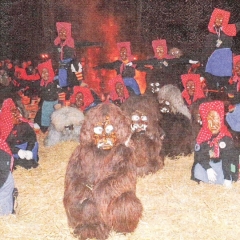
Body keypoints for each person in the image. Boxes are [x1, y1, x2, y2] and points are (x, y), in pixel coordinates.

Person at [191, 100, 238, 187]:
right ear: (205, 121)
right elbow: (200, 156)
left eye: (216, 119)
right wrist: (208, 168)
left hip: (224, 166)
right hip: (210, 165)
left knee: (232, 170)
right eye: (210, 120)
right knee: (198, 169)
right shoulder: (203, 137)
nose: (213, 124)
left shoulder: (226, 137)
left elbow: (229, 158)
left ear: (220, 119)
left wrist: (227, 177)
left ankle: (226, 179)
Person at [201, 8, 240, 90]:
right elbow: (207, 50)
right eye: (217, 18)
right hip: (215, 59)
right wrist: (202, 61)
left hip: (226, 58)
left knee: (225, 79)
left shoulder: (229, 29)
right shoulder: (210, 35)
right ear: (213, 19)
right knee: (213, 78)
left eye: (221, 18)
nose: (219, 20)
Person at [0, 98, 39, 169]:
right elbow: (4, 145)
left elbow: (32, 137)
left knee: (34, 148)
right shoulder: (3, 128)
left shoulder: (24, 124)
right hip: (12, 149)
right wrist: (18, 151)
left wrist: (29, 150)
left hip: (26, 146)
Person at [51, 22, 83, 88]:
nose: (62, 34)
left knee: (71, 87)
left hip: (70, 69)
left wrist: (80, 81)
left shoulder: (71, 43)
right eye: (60, 32)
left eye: (64, 32)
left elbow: (76, 66)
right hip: (60, 69)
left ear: (67, 33)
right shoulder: (56, 44)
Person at [34, 59, 60, 133]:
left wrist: (59, 104)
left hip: (52, 106)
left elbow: (61, 92)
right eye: (42, 73)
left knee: (50, 122)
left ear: (50, 72)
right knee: (38, 121)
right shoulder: (42, 83)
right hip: (45, 105)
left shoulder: (54, 82)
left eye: (46, 72)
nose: (45, 75)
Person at [0, 138, 17, 215]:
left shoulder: (2, 150)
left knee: (3, 212)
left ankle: (7, 212)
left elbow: (4, 172)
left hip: (4, 179)